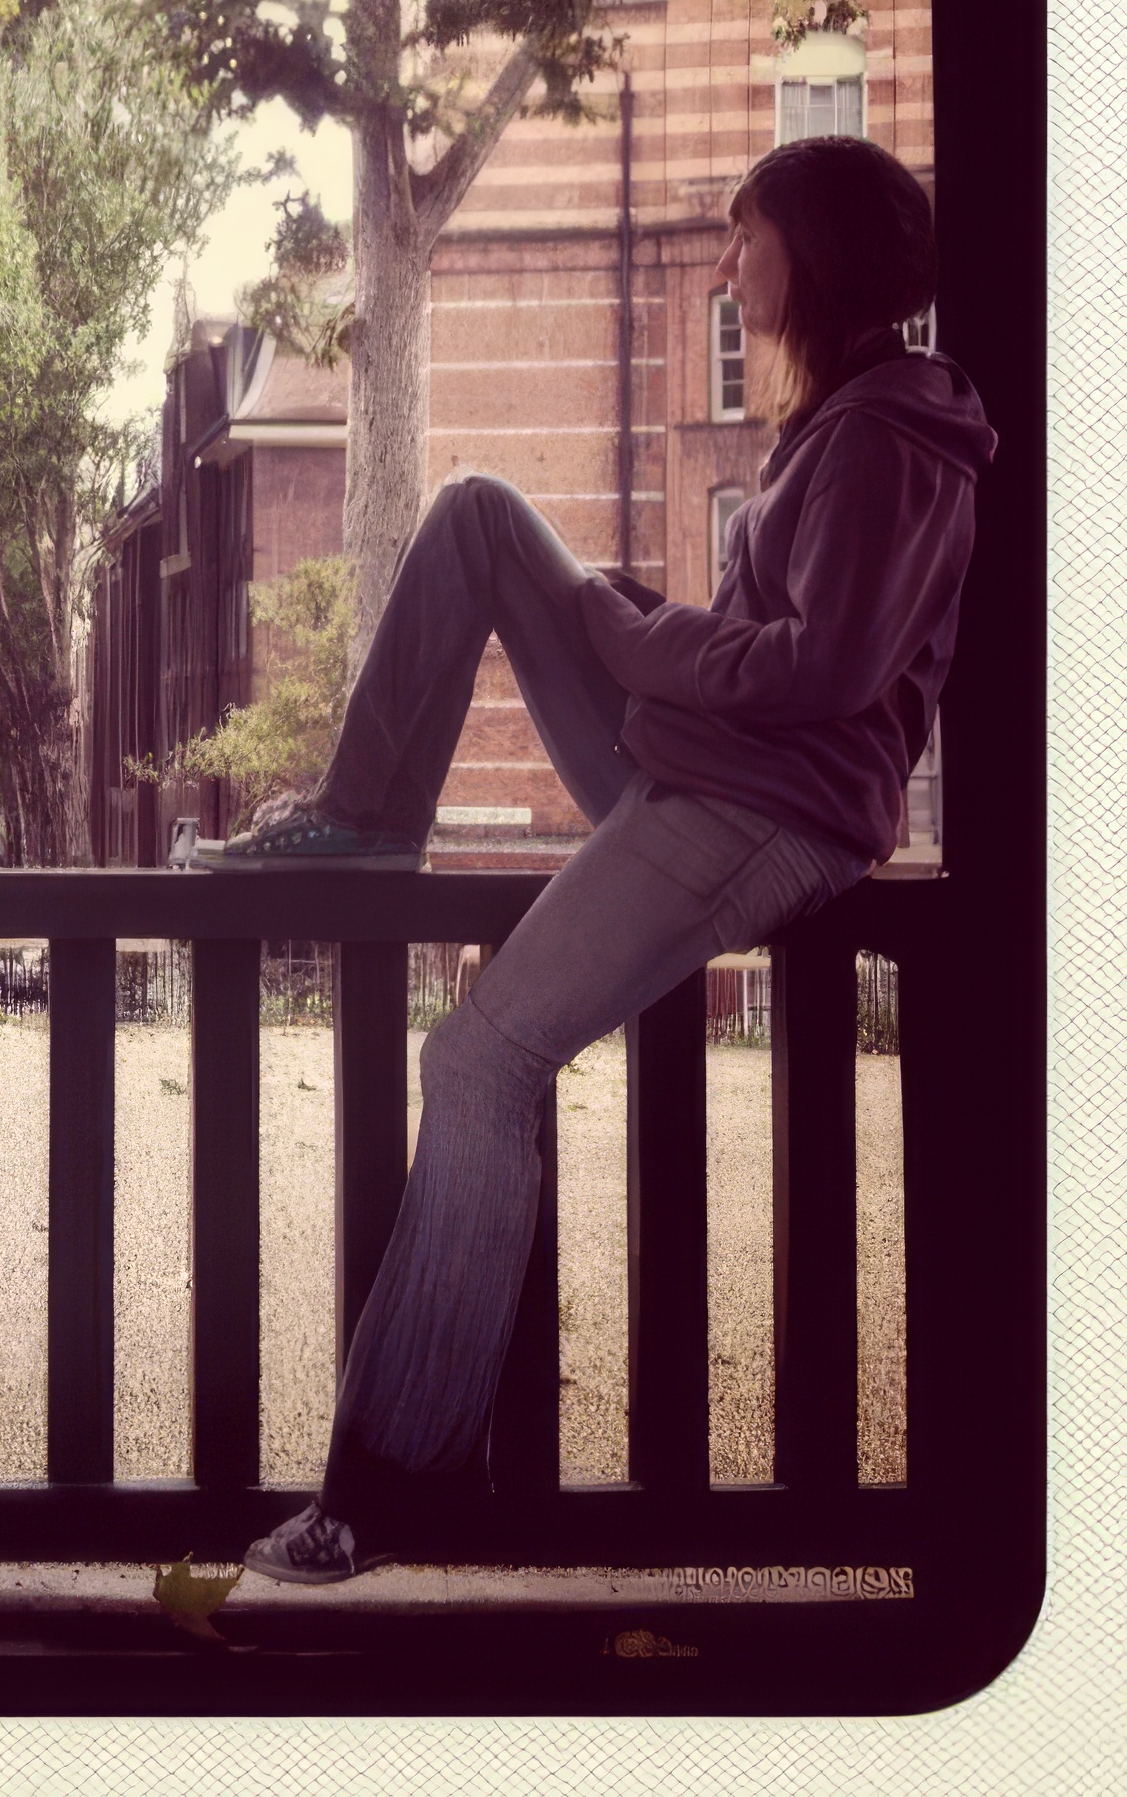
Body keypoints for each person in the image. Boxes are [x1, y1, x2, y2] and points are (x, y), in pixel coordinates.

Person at [219, 135, 996, 1583]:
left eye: (741, 236)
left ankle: (381, 1491)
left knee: (478, 1066)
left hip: (763, 813)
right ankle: (369, 818)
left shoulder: (895, 439)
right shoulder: (846, 421)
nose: (723, 264)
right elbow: (777, 646)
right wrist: (649, 634)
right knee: (478, 518)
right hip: (702, 763)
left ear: (809, 254)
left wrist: (639, 637)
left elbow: (827, 669)